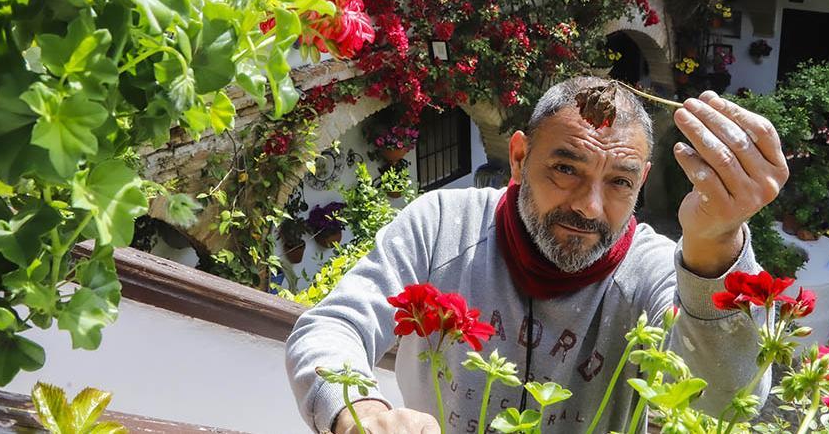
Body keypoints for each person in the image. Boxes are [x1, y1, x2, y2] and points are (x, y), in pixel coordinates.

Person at [286, 77, 789, 433]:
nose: (589, 206)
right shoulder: (442, 225)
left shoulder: (655, 272)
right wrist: (361, 412)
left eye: (619, 181)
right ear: (521, 156)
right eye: (566, 170)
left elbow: (726, 403)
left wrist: (715, 243)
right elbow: (332, 326)